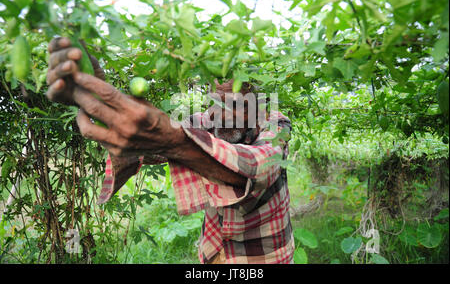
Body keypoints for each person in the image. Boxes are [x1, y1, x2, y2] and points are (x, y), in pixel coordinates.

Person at [45, 37, 294, 264]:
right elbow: (149, 141)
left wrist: (174, 141)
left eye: (234, 104)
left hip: (266, 258)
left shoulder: (275, 122)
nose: (222, 114)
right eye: (216, 102)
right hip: (215, 253)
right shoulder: (205, 121)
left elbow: (259, 167)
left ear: (254, 98)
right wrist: (102, 100)